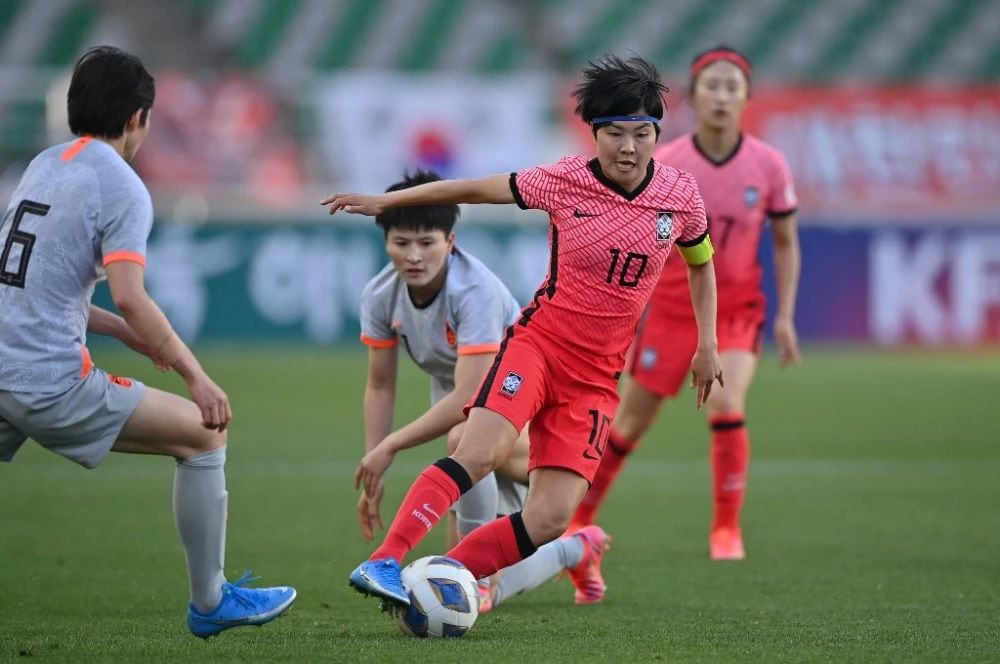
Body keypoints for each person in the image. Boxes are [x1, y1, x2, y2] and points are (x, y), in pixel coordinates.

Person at [323, 53, 722, 610]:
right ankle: (385, 561)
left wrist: (708, 342)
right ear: (594, 133)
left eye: (641, 133)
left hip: (597, 379)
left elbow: (701, 263)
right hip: (540, 346)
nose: (628, 148)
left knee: (550, 517)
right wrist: (391, 200)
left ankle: (440, 577)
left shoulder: (680, 197)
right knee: (477, 452)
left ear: (657, 133)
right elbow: (471, 189)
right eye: (614, 134)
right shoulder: (563, 180)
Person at [0, 46, 295, 638]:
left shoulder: (44, 164)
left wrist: (128, 338)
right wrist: (196, 375)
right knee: (203, 432)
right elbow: (131, 295)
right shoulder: (124, 187)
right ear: (138, 118)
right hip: (48, 381)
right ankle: (211, 601)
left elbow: (38, 290)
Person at [570, 46, 801, 561]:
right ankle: (580, 517)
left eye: (731, 86)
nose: (721, 95)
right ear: (693, 97)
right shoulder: (668, 162)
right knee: (629, 424)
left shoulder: (768, 164)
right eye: (711, 85)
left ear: (746, 97)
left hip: (738, 311)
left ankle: (725, 531)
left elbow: (785, 241)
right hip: (672, 312)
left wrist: (784, 316)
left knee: (725, 401)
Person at [354, 169, 612, 609]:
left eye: (427, 242)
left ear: (450, 242)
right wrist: (373, 460)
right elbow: (379, 385)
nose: (414, 256)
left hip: (524, 409)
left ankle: (496, 572)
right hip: (474, 411)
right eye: (401, 243)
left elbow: (468, 395)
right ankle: (578, 548)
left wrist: (392, 445)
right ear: (386, 244)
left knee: (467, 452)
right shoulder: (381, 295)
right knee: (489, 560)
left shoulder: (475, 291)